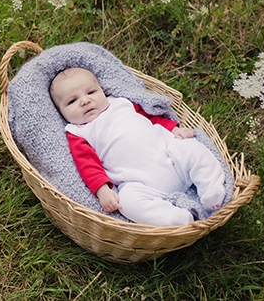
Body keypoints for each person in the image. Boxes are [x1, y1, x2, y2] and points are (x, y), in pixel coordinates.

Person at [49, 67, 226, 226]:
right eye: (72, 101)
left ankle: (211, 189)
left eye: (91, 92)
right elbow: (87, 164)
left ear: (102, 90)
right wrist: (102, 190)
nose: (85, 101)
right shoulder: (78, 132)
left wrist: (172, 128)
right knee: (126, 202)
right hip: (139, 183)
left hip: (170, 155)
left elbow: (150, 117)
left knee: (192, 148)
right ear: (61, 112)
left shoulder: (121, 103)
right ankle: (177, 219)